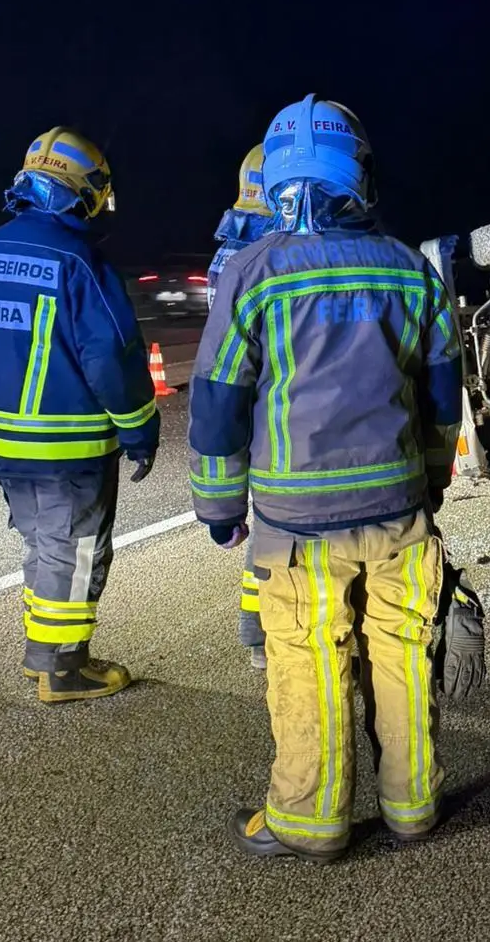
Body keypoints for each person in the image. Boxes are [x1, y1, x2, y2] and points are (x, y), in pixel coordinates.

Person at [188, 95, 476, 861]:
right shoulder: (410, 270)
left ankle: (310, 821)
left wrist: (219, 507)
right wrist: (434, 482)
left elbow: (218, 401)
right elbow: (442, 399)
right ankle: (414, 806)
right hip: (398, 512)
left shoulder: (253, 272)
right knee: (404, 653)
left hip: (296, 527)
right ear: (361, 175)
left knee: (308, 660)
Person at [0, 128, 159, 702]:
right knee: (77, 550)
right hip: (73, 449)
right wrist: (140, 428)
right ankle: (65, 669)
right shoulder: (79, 261)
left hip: (5, 442)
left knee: (42, 543)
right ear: (83, 190)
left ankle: (41, 652)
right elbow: (112, 358)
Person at [207, 144, 274, 670]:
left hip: (242, 409)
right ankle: (260, 632)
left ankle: (257, 632)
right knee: (278, 527)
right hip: (272, 410)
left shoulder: (228, 252)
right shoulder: (269, 255)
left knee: (269, 524)